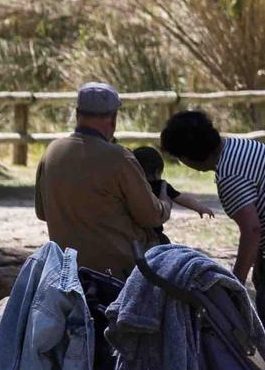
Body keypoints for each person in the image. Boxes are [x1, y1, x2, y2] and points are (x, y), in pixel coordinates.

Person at [159, 109, 265, 357]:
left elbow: (252, 231)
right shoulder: (238, 146)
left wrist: (235, 281)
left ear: (189, 156)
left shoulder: (230, 176)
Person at [34, 82, 170, 279]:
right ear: (113, 119)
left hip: (68, 267)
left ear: (77, 114)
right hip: (121, 270)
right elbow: (150, 216)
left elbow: (42, 212)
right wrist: (165, 202)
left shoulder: (52, 151)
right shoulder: (119, 158)